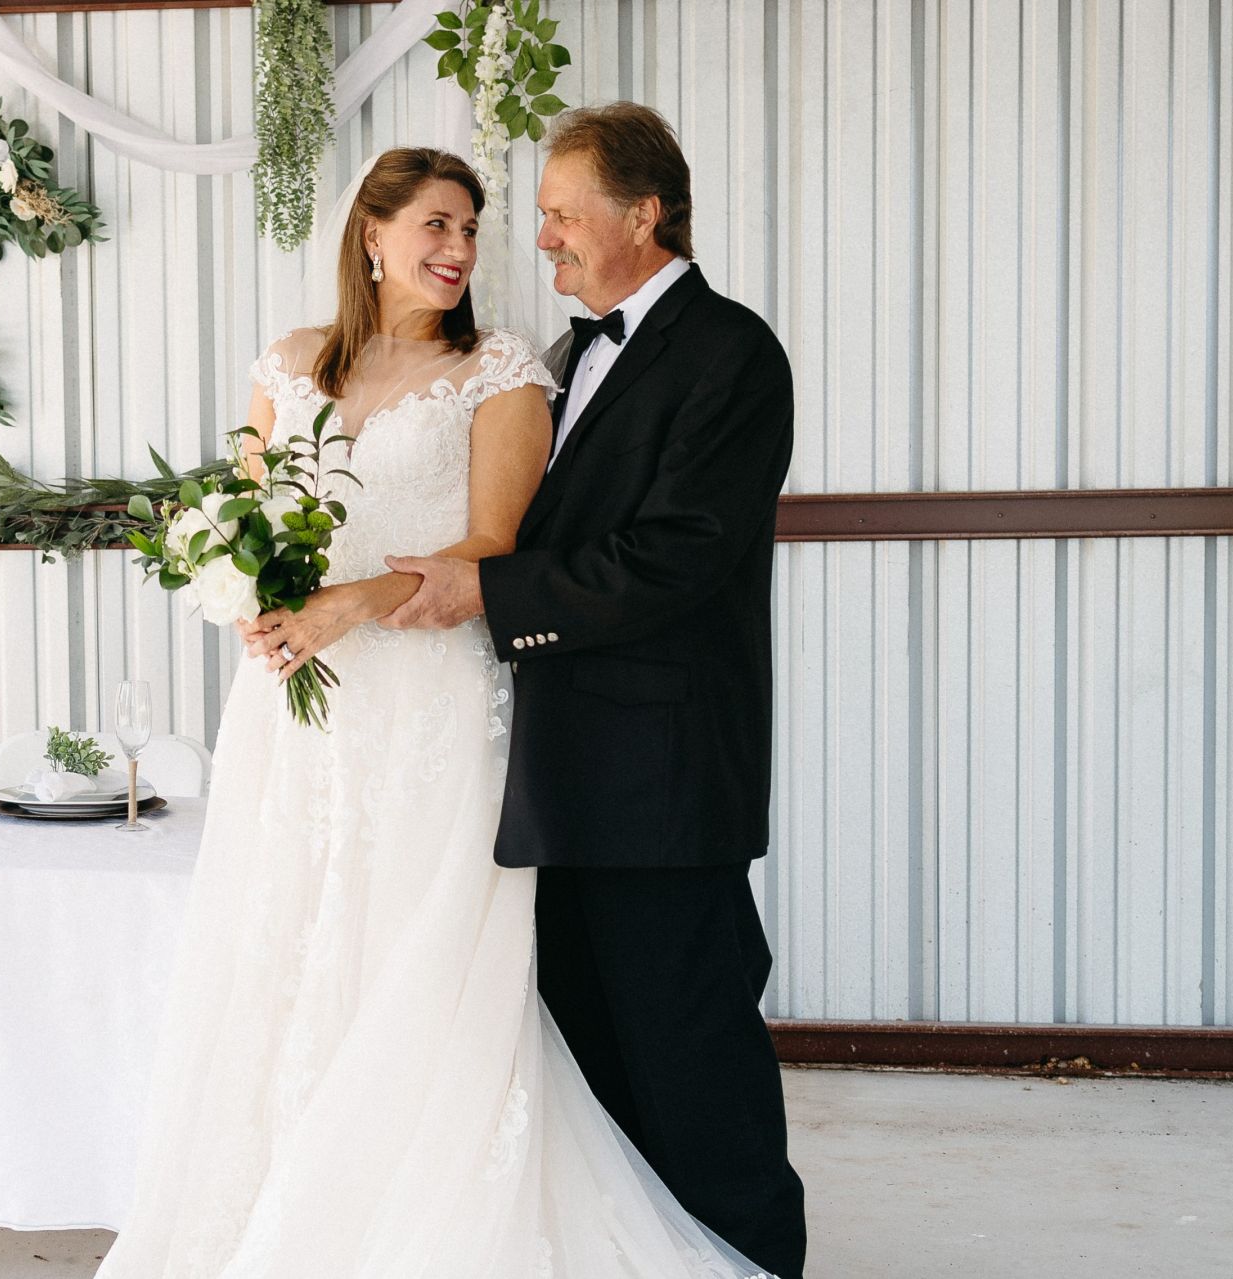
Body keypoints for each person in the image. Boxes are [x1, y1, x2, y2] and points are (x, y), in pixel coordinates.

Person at [96, 145, 774, 1278]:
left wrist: (356, 602)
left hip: (433, 706)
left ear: (642, 214)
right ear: (372, 233)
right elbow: (246, 514)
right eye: (440, 226)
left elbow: (500, 549)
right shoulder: (293, 360)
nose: (469, 248)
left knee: (432, 961)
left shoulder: (513, 369)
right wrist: (246, 590)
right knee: (292, 953)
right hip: (301, 713)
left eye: (484, 225)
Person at [382, 103, 807, 1279]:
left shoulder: (731, 353)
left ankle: (753, 1263)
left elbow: (680, 551)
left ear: (645, 212)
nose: (548, 240)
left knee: (691, 1058)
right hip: (560, 777)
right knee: (594, 1066)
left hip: (663, 783)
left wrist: (491, 591)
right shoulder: (569, 358)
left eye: (564, 215)